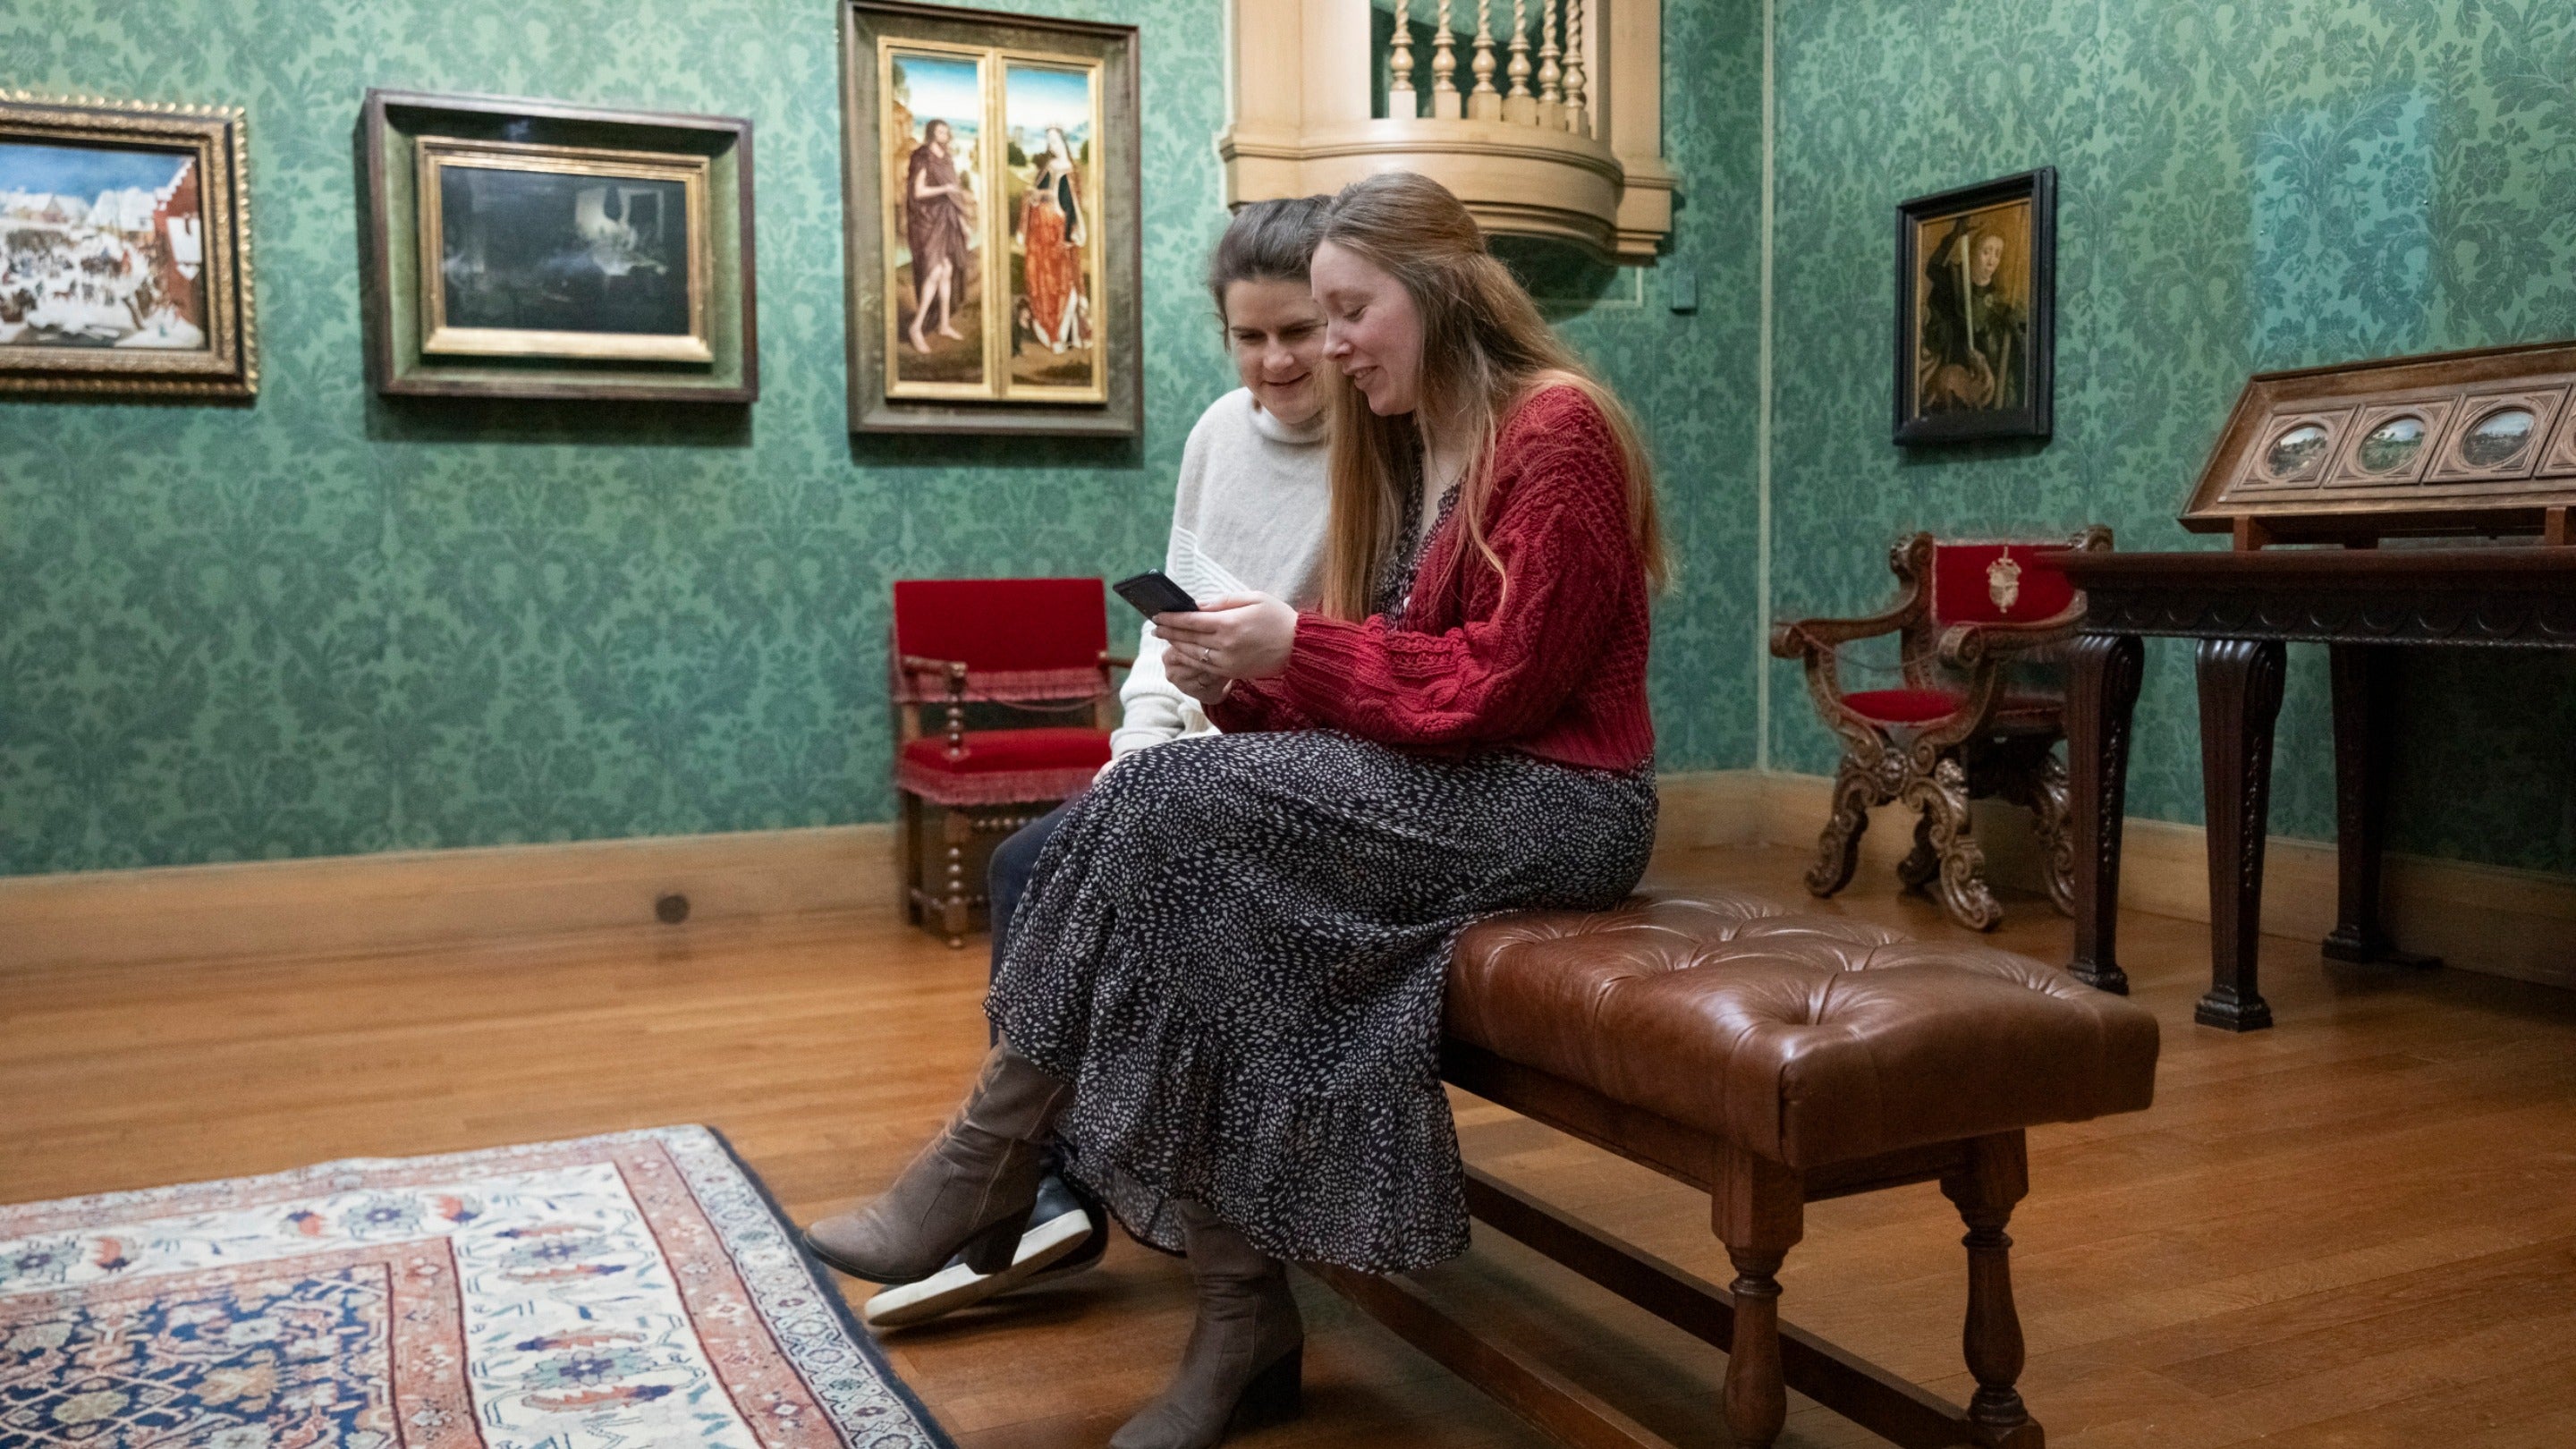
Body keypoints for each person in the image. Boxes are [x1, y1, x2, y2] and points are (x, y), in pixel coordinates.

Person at [804, 171, 1663, 1449]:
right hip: (1459, 782)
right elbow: (1381, 704)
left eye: (1346, 312)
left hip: (1565, 803)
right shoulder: (1409, 443)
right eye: (1310, 320)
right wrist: (1245, 682)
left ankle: (992, 1167)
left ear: (1432, 291)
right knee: (1183, 864)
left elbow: (1494, 686)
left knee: (1158, 809)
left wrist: (1289, 649)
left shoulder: (1557, 431)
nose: (1326, 348)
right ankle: (1230, 1313)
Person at [855, 194, 1339, 1332]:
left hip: (1295, 763)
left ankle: (1033, 1191)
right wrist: (1131, 762)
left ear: (1350, 324)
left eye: (1300, 333)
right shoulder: (1220, 433)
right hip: (1188, 757)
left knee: (1078, 881)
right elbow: (1177, 630)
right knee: (1037, 863)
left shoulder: (1383, 439)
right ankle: (1044, 1192)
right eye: (1250, 337)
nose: (1275, 361)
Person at [1018, 126, 1089, 353]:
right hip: (1041, 236)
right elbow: (1034, 194)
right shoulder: (1049, 167)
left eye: (1055, 140)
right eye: (1049, 141)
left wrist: (1068, 236)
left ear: (1063, 141)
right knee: (1043, 282)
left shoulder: (1070, 172)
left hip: (1059, 236)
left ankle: (1063, 334)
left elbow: (1070, 208)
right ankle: (1050, 332)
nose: (1052, 145)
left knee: (1064, 283)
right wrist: (1037, 198)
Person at [905, 118, 973, 354]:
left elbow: (955, 196)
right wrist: (944, 189)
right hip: (926, 220)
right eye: (940, 131)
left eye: (947, 131)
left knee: (947, 270)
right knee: (934, 272)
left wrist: (963, 223)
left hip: (945, 219)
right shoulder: (923, 157)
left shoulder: (947, 159)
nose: (945, 135)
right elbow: (919, 191)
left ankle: (944, 324)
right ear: (932, 134)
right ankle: (916, 327)